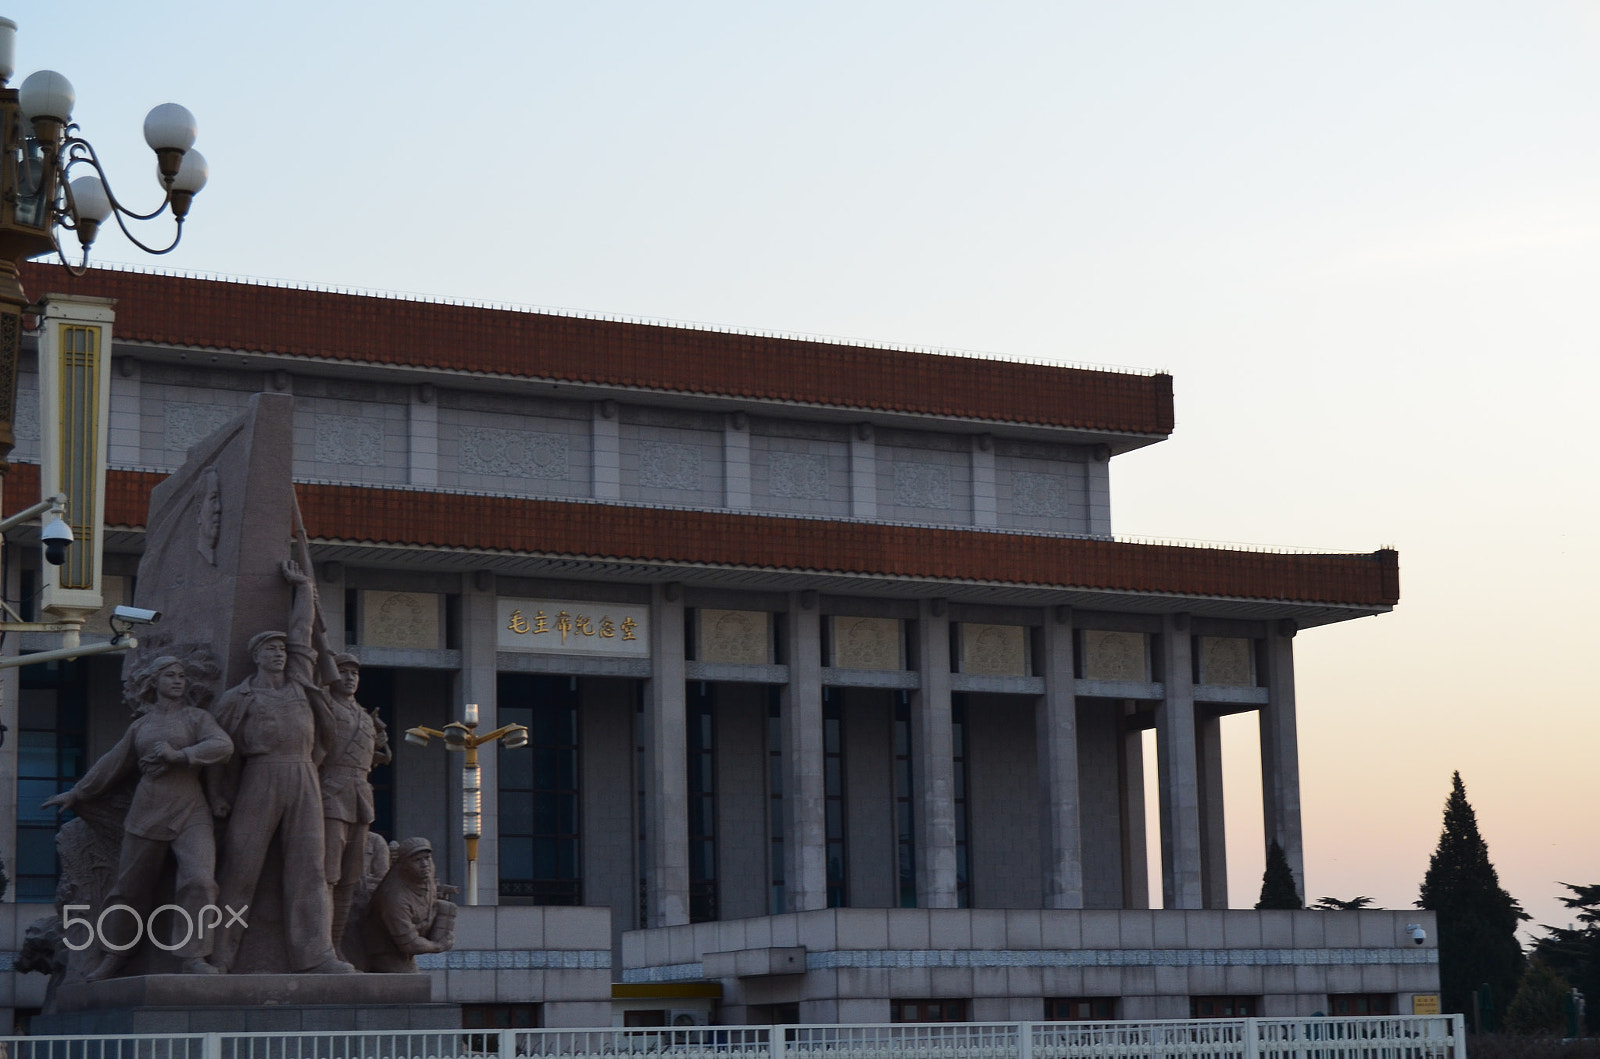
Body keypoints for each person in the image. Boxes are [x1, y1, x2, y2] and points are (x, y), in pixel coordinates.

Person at [44, 654, 233, 978]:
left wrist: (181, 756)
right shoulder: (141, 726)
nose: (177, 681)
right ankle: (116, 954)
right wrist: (78, 793)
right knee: (129, 888)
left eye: (181, 676)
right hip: (147, 810)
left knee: (200, 881)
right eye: (170, 675)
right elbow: (112, 764)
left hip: (191, 808)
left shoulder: (196, 718)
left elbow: (223, 745)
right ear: (154, 682)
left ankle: (193, 956)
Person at [208, 560, 353, 974]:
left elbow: (302, 631)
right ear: (256, 656)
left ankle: (316, 954)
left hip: (304, 774)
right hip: (261, 776)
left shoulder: (299, 683)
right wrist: (219, 795)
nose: (279, 653)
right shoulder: (238, 698)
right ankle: (220, 954)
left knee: (309, 870)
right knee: (240, 869)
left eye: (282, 649)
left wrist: (304, 587)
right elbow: (220, 751)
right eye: (270, 649)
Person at [320, 652, 391, 950]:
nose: (349, 678)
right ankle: (319, 945)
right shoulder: (323, 707)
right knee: (328, 874)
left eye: (354, 674)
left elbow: (378, 758)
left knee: (351, 877)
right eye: (343, 672)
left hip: (360, 797)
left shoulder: (364, 715)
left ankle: (337, 945)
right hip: (331, 793)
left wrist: (381, 741)